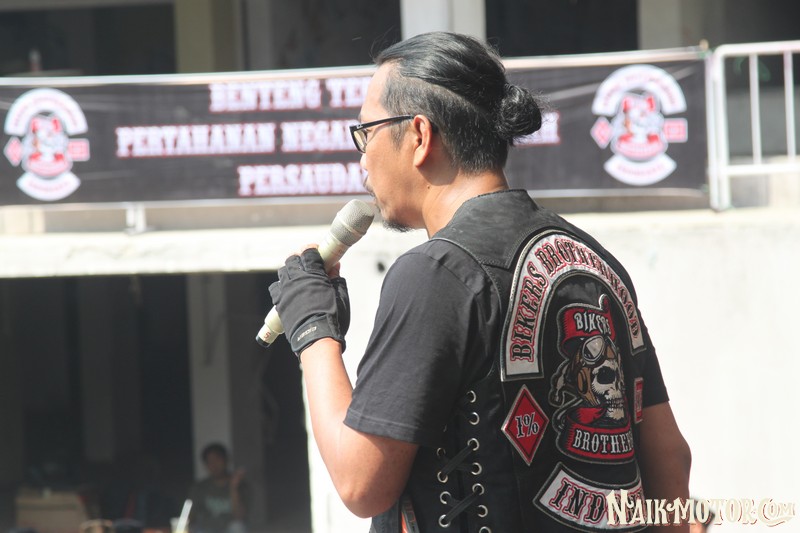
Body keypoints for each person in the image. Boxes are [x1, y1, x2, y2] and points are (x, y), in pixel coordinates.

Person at [268, 31, 692, 532]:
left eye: (367, 132)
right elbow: (671, 459)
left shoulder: (436, 272)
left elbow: (360, 483)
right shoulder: (596, 261)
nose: (362, 157)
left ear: (419, 135)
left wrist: (313, 328)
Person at [187, 443, 248, 533]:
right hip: (206, 529)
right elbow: (190, 516)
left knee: (237, 527)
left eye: (217, 460)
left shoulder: (241, 485)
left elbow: (239, 516)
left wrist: (234, 488)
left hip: (229, 530)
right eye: (209, 462)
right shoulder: (199, 488)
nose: (214, 465)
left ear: (226, 460)